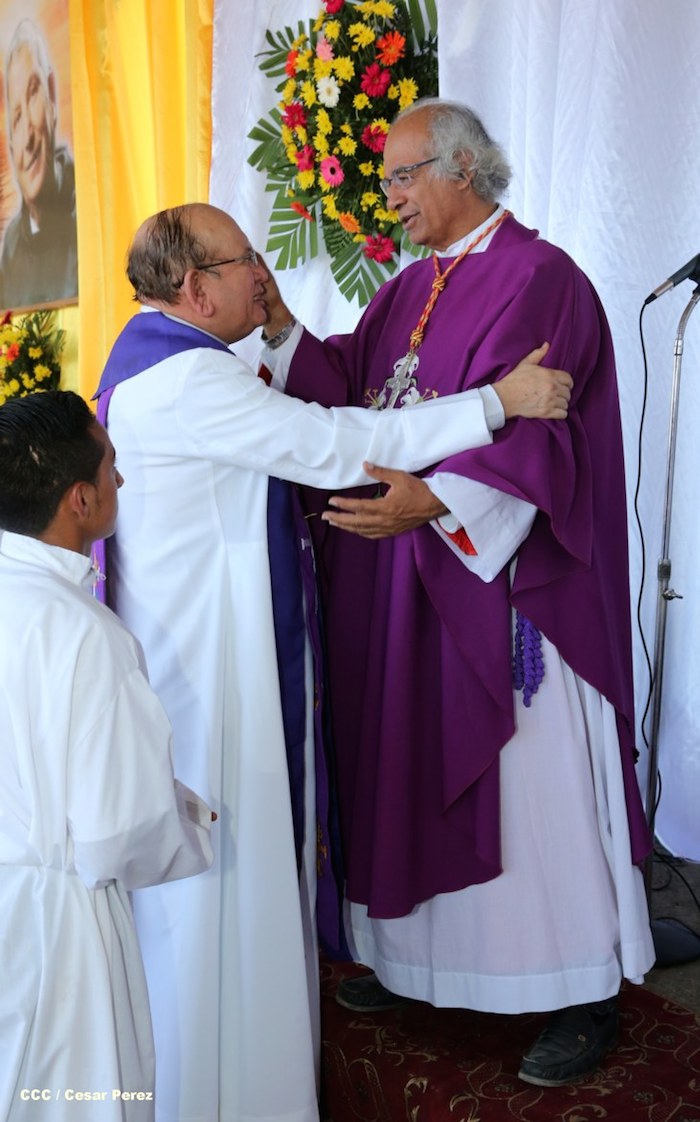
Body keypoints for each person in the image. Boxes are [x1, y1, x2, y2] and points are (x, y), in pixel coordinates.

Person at [93, 201, 571, 1122]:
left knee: (212, 907)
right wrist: (498, 403)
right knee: (230, 901)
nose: (261, 273)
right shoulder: (191, 381)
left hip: (189, 661)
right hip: (217, 682)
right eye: (243, 260)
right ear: (194, 288)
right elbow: (341, 444)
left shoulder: (148, 359)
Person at [262, 97, 656, 1088]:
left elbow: (544, 430)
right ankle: (420, 966)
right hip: (407, 575)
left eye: (402, 177)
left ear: (462, 169)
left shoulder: (540, 278)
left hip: (506, 587)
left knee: (529, 789)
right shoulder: (408, 288)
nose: (389, 198)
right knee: (408, 755)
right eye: (387, 180)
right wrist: (277, 327)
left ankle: (576, 984)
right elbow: (358, 386)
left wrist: (437, 502)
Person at [0, 390, 214, 1121]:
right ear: (81, 500)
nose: (121, 479)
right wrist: (189, 822)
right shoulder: (87, 634)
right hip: (58, 934)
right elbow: (115, 833)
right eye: (111, 465)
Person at [0, 18, 78, 310]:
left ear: (52, 96)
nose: (28, 139)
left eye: (33, 94)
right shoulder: (10, 245)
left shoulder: (89, 211)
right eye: (17, 118)